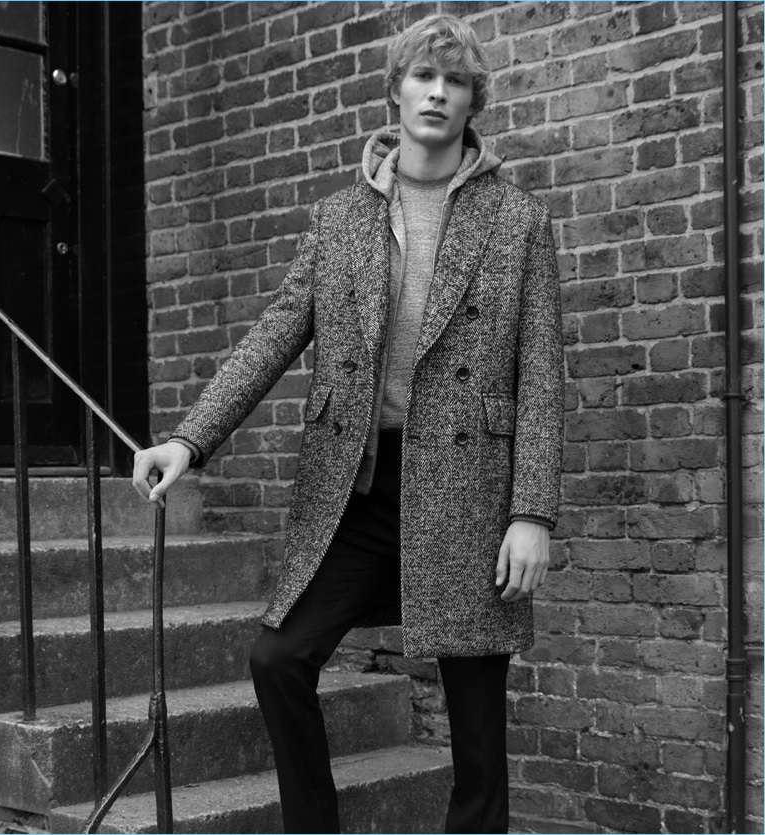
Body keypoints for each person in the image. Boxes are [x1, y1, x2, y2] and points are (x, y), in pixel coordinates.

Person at [133, 13, 563, 834]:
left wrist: (532, 512)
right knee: (278, 657)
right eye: (423, 76)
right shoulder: (340, 218)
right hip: (358, 493)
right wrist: (189, 439)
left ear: (473, 101)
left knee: (477, 728)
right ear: (395, 91)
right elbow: (274, 334)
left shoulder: (518, 220)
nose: (437, 93)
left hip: (469, 494)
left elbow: (541, 373)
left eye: (456, 81)